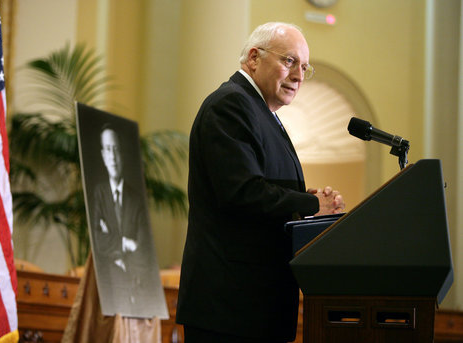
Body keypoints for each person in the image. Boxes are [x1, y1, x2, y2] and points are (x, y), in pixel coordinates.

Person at [176, 22, 345, 343]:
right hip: (230, 307)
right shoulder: (230, 105)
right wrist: (311, 204)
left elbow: (259, 183)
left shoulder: (262, 113)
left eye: (304, 67)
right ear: (254, 58)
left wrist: (306, 199)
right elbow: (241, 192)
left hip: (253, 306)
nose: (298, 76)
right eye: (289, 61)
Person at [91, 124, 146, 315]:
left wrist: (111, 239)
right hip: (106, 288)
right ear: (103, 156)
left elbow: (143, 248)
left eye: (115, 149)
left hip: (134, 287)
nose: (112, 156)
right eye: (107, 149)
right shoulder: (98, 193)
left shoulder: (137, 199)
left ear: (122, 154)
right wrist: (125, 242)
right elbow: (97, 240)